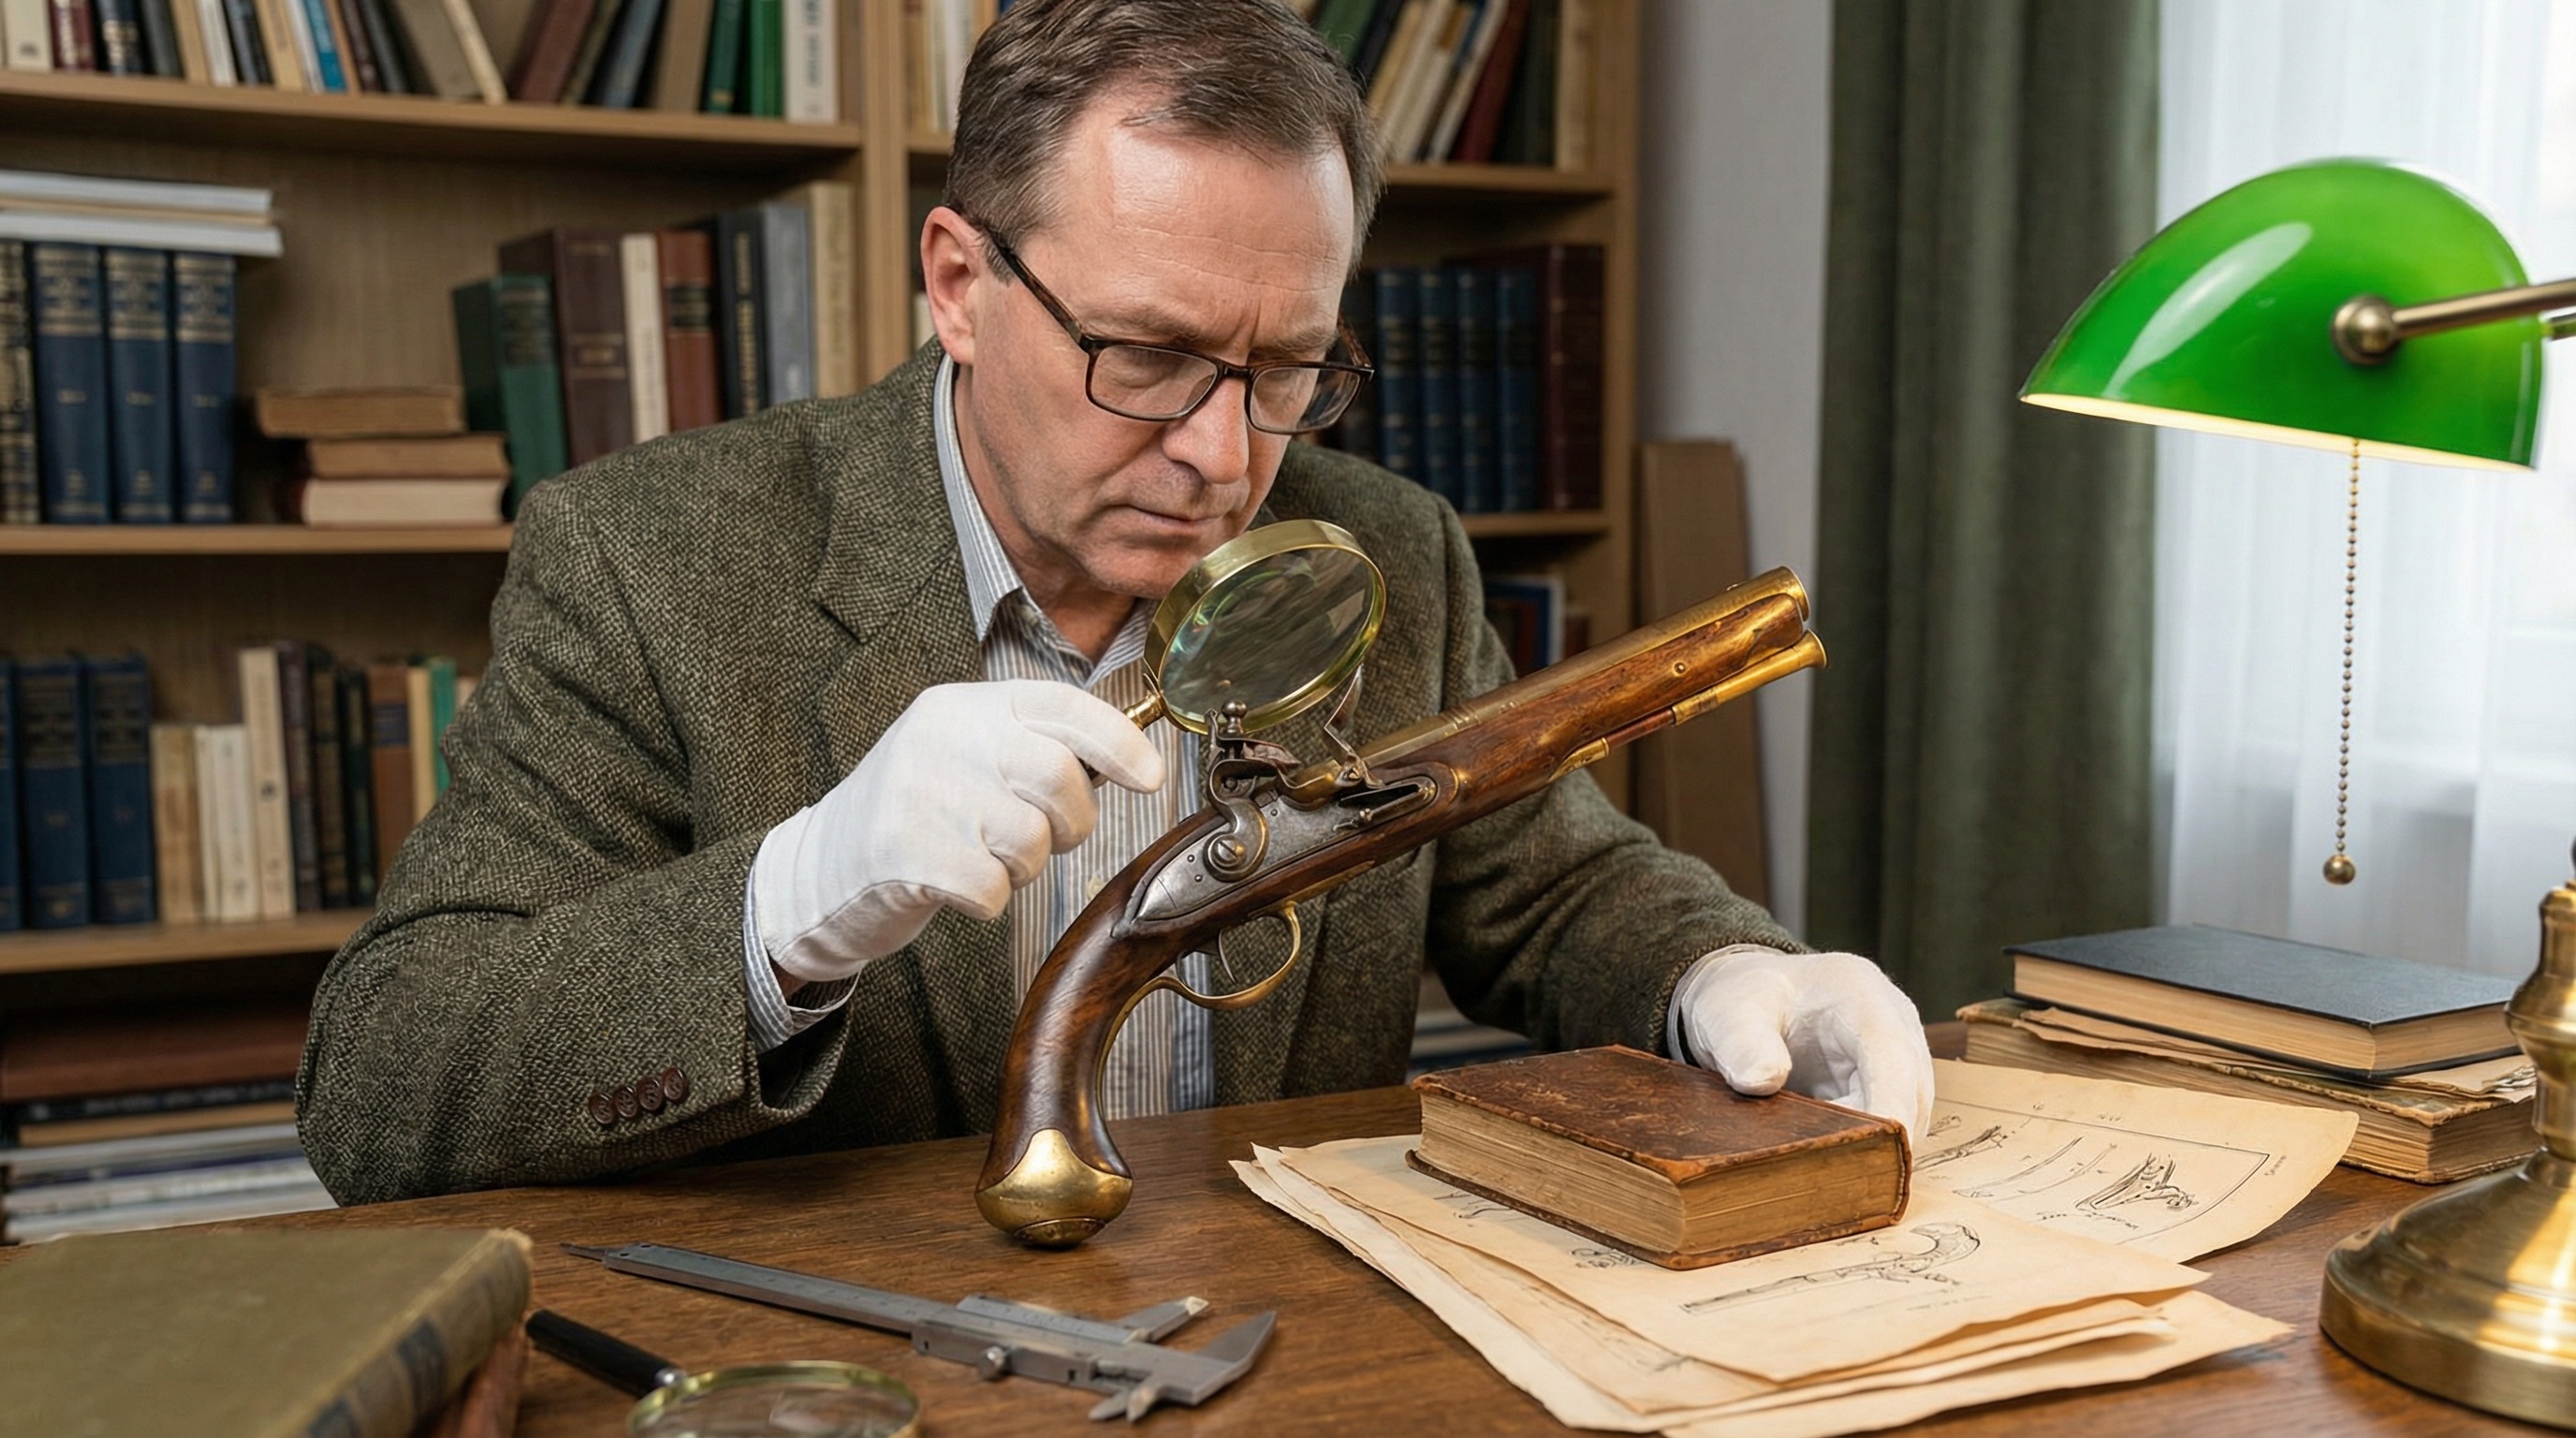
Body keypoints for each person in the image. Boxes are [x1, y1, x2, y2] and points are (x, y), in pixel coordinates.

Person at [296, 0, 1933, 1205]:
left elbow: (1554, 895)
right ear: (958, 281)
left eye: (1289, 368)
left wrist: (1729, 976)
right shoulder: (647, 561)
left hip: (1287, 1342)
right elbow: (383, 1088)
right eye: (1145, 357)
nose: (1225, 454)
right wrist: (789, 905)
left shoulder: (1392, 550)